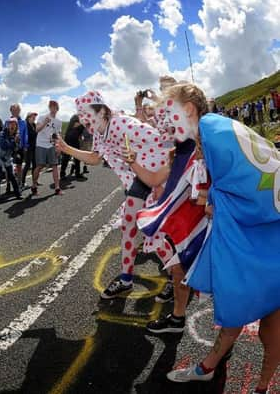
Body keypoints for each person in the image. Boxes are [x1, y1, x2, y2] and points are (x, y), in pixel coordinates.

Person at [162, 87, 280, 394]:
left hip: (264, 236)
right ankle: (214, 370)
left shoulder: (212, 132)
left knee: (268, 320)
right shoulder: (213, 129)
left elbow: (246, 184)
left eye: (168, 109)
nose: (164, 118)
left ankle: (261, 386)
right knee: (240, 303)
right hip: (262, 232)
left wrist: (212, 200)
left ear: (188, 108)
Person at [56, 91, 172, 299]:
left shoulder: (123, 125)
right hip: (141, 177)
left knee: (150, 229)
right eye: (79, 115)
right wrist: (66, 149)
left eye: (85, 113)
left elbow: (164, 142)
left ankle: (176, 277)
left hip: (157, 174)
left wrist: (166, 178)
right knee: (130, 224)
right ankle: (127, 279)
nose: (82, 119)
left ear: (102, 111)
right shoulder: (101, 132)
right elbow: (94, 158)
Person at [124, 84, 210, 334]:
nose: (169, 123)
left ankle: (221, 346)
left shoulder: (208, 144)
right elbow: (153, 180)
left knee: (209, 280)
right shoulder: (180, 149)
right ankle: (177, 319)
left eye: (172, 115)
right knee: (177, 271)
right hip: (181, 227)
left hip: (201, 227)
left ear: (189, 109)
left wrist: (208, 199)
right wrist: (133, 163)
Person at [31, 100, 63, 196]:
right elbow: (37, 130)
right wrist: (45, 122)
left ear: (57, 108)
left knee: (55, 165)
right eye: (51, 106)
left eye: (54, 106)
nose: (52, 108)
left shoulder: (58, 122)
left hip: (51, 145)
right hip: (41, 144)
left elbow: (57, 135)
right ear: (49, 108)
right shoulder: (42, 117)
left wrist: (58, 146)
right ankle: (34, 185)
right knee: (40, 165)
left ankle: (57, 188)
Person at [0, 118, 22, 201]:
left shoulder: (17, 136)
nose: (12, 125)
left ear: (16, 126)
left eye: (14, 124)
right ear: (7, 125)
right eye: (10, 124)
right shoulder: (2, 134)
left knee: (12, 176)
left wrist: (15, 145)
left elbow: (16, 148)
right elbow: (3, 145)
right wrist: (14, 143)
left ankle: (18, 194)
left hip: (8, 158)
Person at [60, 113, 86, 181]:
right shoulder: (75, 118)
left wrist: (81, 137)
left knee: (77, 158)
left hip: (75, 141)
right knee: (66, 158)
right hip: (68, 141)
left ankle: (77, 173)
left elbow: (81, 130)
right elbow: (75, 125)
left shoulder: (82, 125)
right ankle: (62, 174)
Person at [10, 104, 29, 185]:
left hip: (19, 147)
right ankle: (8, 184)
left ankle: (19, 183)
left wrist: (25, 146)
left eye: (17, 110)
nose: (15, 112)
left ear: (19, 111)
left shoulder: (23, 122)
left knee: (19, 165)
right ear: (11, 111)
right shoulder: (7, 121)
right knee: (9, 167)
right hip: (9, 147)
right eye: (13, 110)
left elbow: (25, 135)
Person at [21, 112, 38, 188]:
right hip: (28, 148)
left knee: (35, 165)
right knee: (27, 165)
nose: (34, 117)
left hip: (34, 147)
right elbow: (25, 136)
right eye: (33, 116)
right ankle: (23, 182)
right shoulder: (25, 125)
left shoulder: (34, 125)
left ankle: (34, 181)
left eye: (35, 116)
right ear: (28, 117)